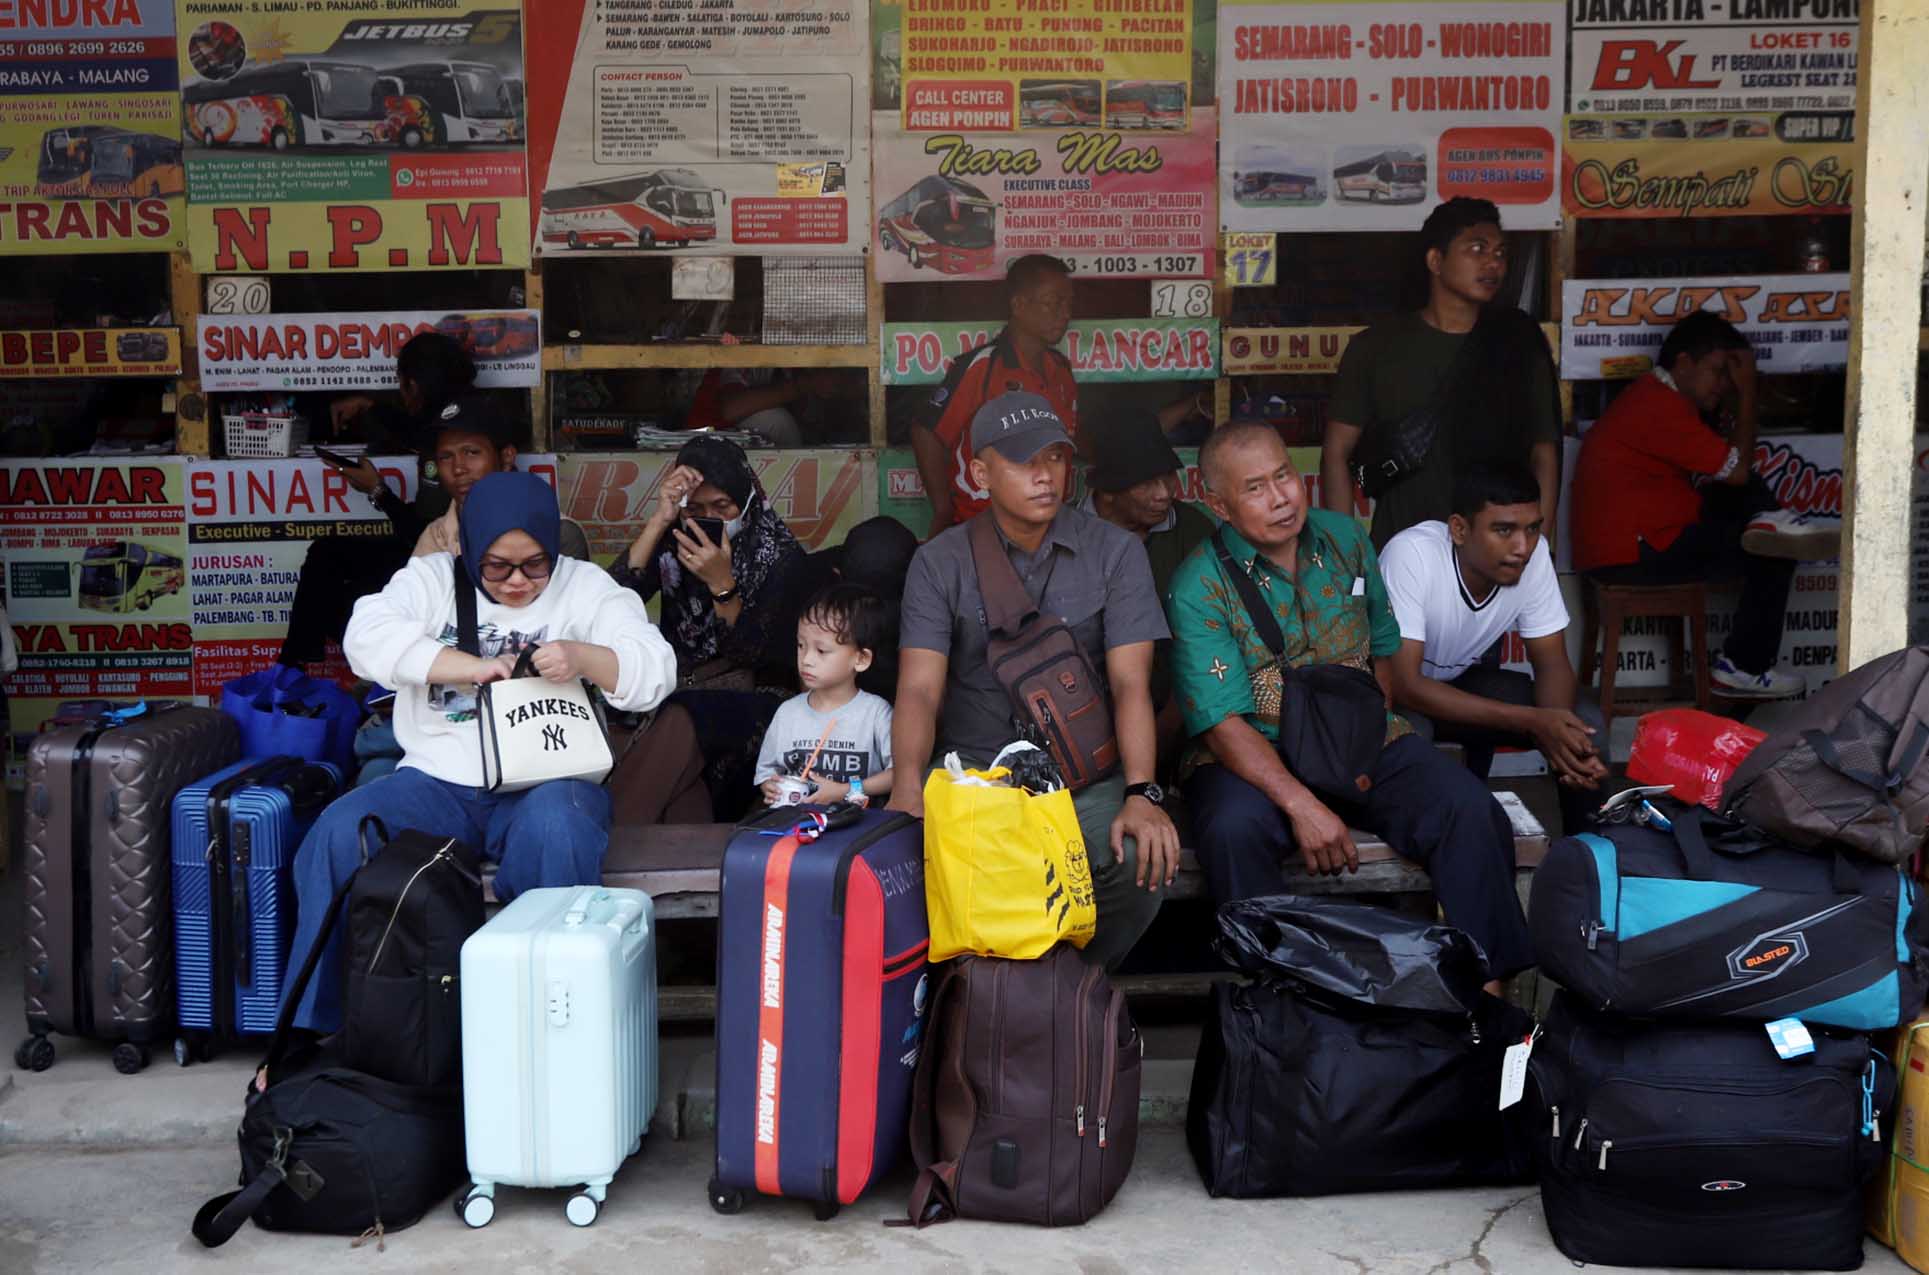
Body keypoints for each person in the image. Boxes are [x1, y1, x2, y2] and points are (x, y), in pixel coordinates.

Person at [283, 471, 677, 1031]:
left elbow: (655, 670)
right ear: (468, 548)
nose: (517, 581)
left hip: (546, 784)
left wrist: (583, 657)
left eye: (534, 564)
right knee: (340, 831)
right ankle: (309, 1031)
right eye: (497, 566)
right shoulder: (429, 580)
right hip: (436, 784)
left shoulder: (586, 587)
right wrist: (468, 668)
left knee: (558, 832)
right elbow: (365, 637)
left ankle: (550, 1027)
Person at [1167, 421, 1532, 990]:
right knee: (1234, 830)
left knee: (1467, 808)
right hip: (1256, 752)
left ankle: (1486, 1005)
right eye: (1255, 487)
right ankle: (1284, 1003)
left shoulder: (1345, 539)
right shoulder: (1198, 584)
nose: (1281, 496)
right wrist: (1304, 804)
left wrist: (1358, 751)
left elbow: (1383, 658)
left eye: (1284, 475)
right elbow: (1220, 724)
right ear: (1218, 503)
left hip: (1363, 737)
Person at [891, 391, 1178, 973]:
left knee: (1140, 860)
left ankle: (1070, 992)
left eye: (1055, 458)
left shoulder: (1115, 552)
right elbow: (919, 690)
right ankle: (1000, 1004)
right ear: (979, 473)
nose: (1046, 476)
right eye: (1024, 462)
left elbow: (1130, 685)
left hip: (1083, 781)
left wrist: (1142, 791)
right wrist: (905, 785)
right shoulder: (940, 562)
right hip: (974, 774)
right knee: (922, 871)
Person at [1570, 311, 1832, 699]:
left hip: (1636, 542)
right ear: (1683, 363)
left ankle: (1768, 521)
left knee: (1749, 520)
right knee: (1773, 553)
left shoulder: (1655, 397)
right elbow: (1738, 471)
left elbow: (1724, 472)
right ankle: (1743, 667)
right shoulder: (1660, 406)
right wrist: (1748, 393)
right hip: (1633, 552)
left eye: (1731, 376)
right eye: (1719, 372)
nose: (1724, 384)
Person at [1320, 197, 1563, 549]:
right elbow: (1337, 452)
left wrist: (1535, 548)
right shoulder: (1374, 348)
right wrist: (1346, 552)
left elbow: (1544, 455)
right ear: (1436, 260)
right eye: (1477, 249)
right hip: (1403, 552)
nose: (1493, 263)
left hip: (1493, 558)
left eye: (1500, 253)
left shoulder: (1518, 344)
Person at [1380, 463, 1608, 832]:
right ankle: (1414, 878)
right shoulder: (1412, 555)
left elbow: (1551, 663)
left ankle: (1587, 864)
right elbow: (1405, 684)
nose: (1522, 547)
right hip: (1396, 696)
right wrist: (1536, 722)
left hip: (1456, 684)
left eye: (1532, 529)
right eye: (1503, 530)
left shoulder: (1532, 561)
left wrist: (1560, 736)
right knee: (1408, 740)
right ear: (1459, 529)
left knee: (1584, 725)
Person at [608, 435, 809, 817]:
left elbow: (753, 654)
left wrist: (722, 585)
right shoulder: (674, 541)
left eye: (722, 506)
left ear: (746, 501)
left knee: (682, 717)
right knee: (684, 795)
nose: (708, 519)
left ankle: (612, 836)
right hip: (677, 686)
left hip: (759, 697)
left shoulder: (779, 554)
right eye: (695, 508)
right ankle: (682, 868)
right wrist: (661, 520)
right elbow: (612, 598)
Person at [277, 334, 475, 667]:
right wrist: (370, 405)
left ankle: (394, 674)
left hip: (446, 563)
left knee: (339, 603)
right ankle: (294, 666)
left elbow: (426, 537)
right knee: (327, 553)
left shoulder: (452, 444)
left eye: (401, 387)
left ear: (412, 385)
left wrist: (378, 492)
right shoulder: (452, 422)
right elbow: (411, 428)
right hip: (424, 548)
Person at [1079, 405, 1216, 767]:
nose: (1164, 493)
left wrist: (1161, 734)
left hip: (1184, 717)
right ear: (1106, 492)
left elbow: (1207, 650)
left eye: (1168, 477)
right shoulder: (1066, 537)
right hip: (1082, 730)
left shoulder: (1195, 533)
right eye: (1146, 482)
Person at [911, 254, 1079, 532]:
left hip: (1048, 525)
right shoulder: (982, 368)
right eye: (1053, 303)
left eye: (1069, 304)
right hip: (982, 523)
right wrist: (942, 510)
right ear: (1019, 305)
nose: (1065, 314)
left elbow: (1068, 436)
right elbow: (925, 431)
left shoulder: (1061, 370)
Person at [755, 583, 895, 808]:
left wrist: (847, 790)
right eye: (801, 645)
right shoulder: (788, 712)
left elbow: (898, 775)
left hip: (856, 829)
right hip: (795, 827)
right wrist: (769, 786)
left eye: (821, 650)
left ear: (861, 659)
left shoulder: (876, 713)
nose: (807, 659)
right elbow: (766, 772)